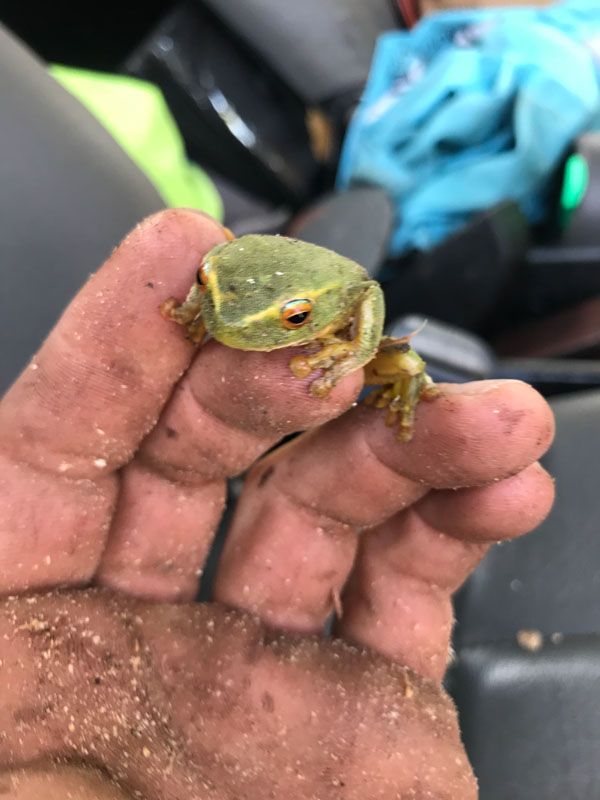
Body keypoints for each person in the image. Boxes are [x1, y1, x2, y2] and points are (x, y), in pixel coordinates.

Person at [0, 210, 555, 799]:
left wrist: (349, 354)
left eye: (292, 319)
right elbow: (220, 272)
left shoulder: (343, 295)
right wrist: (203, 303)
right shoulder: (228, 289)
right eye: (210, 296)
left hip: (329, 309)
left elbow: (365, 292)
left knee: (409, 374)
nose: (232, 326)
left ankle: (343, 353)